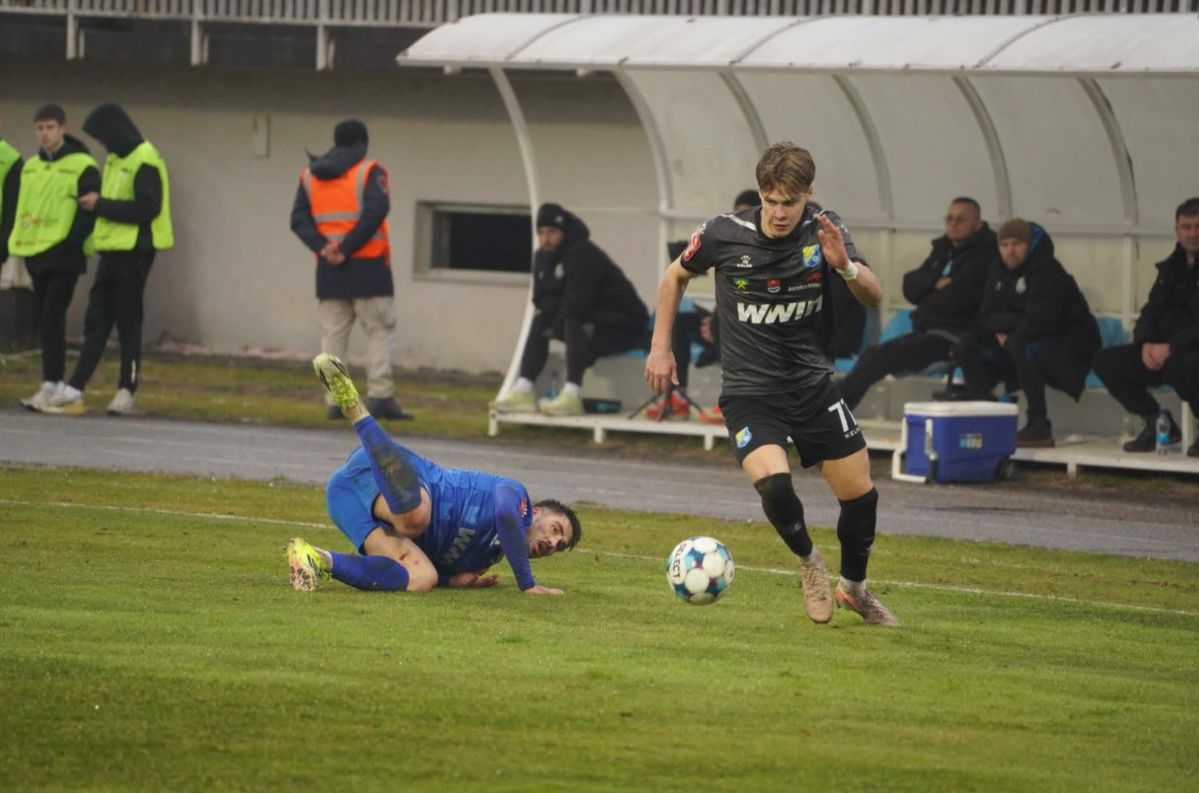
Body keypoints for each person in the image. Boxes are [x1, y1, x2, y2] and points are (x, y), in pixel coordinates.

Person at [645, 141, 900, 627]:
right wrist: (661, 347)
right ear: (760, 192)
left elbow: (873, 295)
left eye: (790, 202)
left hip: (813, 388)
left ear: (809, 193)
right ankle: (809, 563)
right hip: (751, 393)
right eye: (771, 200)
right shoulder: (723, 233)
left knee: (861, 498)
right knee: (776, 486)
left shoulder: (825, 228)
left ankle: (855, 590)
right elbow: (675, 276)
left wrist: (844, 265)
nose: (780, 213)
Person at [287, 353, 581, 594]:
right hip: (386, 468)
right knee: (415, 519)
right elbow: (505, 514)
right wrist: (527, 584)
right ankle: (356, 410)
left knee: (422, 578)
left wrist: (450, 580)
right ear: (536, 512)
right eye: (556, 529)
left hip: (344, 498)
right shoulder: (517, 496)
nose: (553, 543)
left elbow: (431, 566)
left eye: (559, 546)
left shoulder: (488, 556)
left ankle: (314, 558)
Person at [42, 103, 172, 417]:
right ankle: (76, 387)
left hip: (136, 251)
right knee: (96, 319)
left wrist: (100, 205)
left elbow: (147, 208)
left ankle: (127, 390)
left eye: (102, 136)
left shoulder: (145, 159)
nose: (101, 143)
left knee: (128, 321)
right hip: (112, 249)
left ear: (115, 131)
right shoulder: (115, 159)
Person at [290, 119, 412, 422]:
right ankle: (380, 397)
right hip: (369, 267)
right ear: (362, 143)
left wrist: (325, 248)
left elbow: (298, 219)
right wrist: (345, 248)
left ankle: (337, 402)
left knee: (333, 336)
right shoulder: (370, 172)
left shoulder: (310, 175)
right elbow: (376, 211)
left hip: (329, 271)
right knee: (379, 331)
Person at [952, 218, 1101, 448]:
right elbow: (985, 317)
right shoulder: (997, 269)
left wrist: (1006, 330)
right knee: (968, 342)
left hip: (1070, 348)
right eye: (1004, 245)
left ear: (1029, 245)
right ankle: (986, 414)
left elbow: (1040, 322)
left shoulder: (1047, 270)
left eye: (1017, 244)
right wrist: (1010, 327)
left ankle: (1039, 424)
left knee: (1020, 344)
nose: (1010, 251)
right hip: (1022, 341)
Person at [492, 203, 649, 417]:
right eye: (541, 233)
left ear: (563, 232)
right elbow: (539, 298)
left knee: (574, 321)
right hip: (590, 319)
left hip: (625, 325)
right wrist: (558, 314)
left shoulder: (583, 254)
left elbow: (578, 302)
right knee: (541, 321)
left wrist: (557, 322)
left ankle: (572, 394)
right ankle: (524, 389)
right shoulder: (541, 257)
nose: (545, 239)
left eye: (552, 232)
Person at [838, 197, 995, 409]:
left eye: (961, 219)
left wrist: (926, 295)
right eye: (949, 218)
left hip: (954, 336)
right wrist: (935, 282)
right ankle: (838, 410)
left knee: (883, 355)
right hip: (927, 330)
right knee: (872, 354)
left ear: (977, 223)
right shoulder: (943, 250)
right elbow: (910, 286)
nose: (953, 224)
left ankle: (830, 408)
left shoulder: (984, 257)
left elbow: (955, 301)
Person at [11, 105, 101, 411]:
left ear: (63, 128)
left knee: (52, 313)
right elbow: (22, 208)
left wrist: (71, 241)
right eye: (40, 128)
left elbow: (89, 211)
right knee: (44, 318)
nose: (45, 134)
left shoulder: (83, 165)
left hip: (65, 255)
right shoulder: (31, 167)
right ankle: (50, 381)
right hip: (36, 251)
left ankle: (54, 382)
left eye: (50, 127)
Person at [1093, 198, 1199, 456]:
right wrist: (1145, 343)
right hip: (1162, 353)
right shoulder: (1169, 269)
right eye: (1186, 227)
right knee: (1106, 362)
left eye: (1198, 226)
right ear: (1176, 230)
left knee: (1184, 364)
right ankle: (1157, 422)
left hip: (1189, 353)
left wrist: (1171, 347)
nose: (1193, 233)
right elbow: (1151, 310)